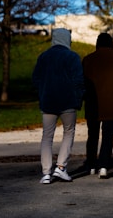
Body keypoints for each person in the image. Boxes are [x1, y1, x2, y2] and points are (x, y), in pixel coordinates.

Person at [32, 28, 85, 184]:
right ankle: (61, 167)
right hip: (68, 101)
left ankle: (46, 172)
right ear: (67, 39)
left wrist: (43, 91)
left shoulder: (43, 57)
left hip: (48, 101)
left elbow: (35, 79)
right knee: (68, 132)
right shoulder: (72, 57)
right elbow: (79, 80)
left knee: (47, 136)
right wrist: (79, 97)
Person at [82, 33, 113, 179]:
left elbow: (82, 81)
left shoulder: (88, 59)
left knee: (92, 135)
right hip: (111, 102)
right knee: (108, 135)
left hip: (92, 103)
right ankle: (103, 165)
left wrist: (87, 96)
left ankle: (91, 165)